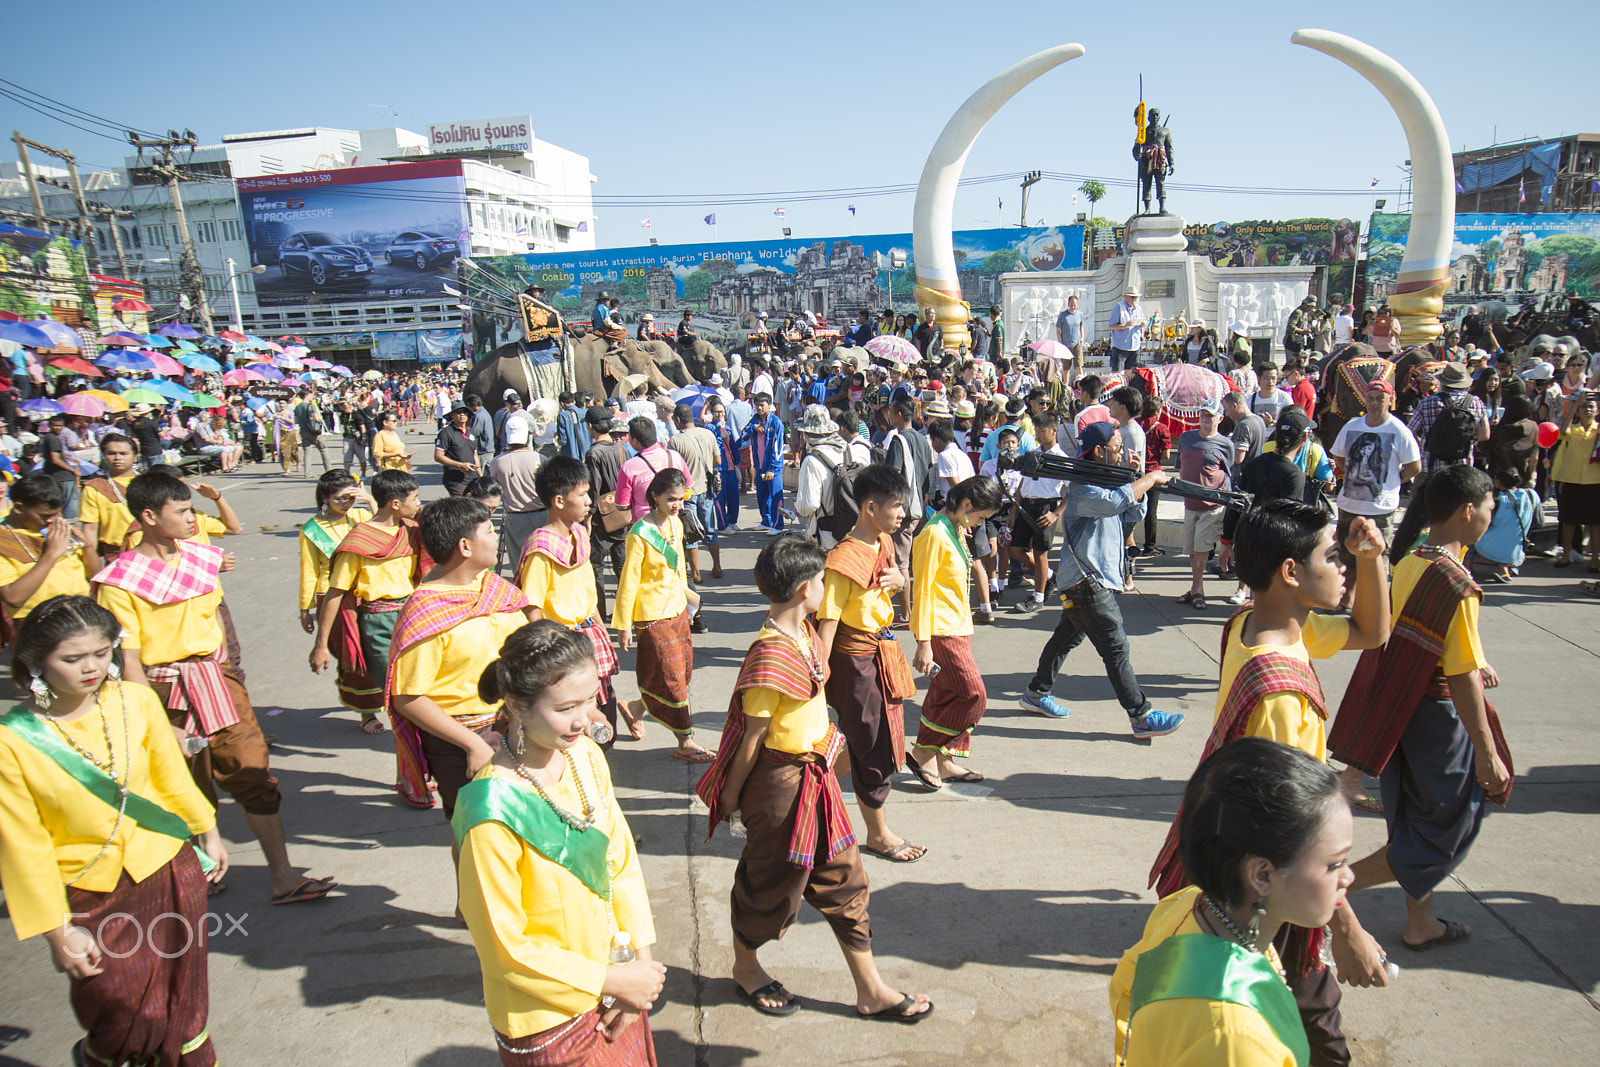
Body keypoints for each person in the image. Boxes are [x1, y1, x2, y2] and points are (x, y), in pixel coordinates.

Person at [1150, 500, 1394, 1064]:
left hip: (1241, 851)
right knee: (1313, 1018)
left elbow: (1371, 631)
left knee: (1298, 1002)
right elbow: (1297, 829)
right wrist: (1348, 929)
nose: (1343, 570)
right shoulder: (1283, 694)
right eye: (1333, 558)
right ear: (1290, 572)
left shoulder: (1254, 626)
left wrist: (1372, 558)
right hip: (1270, 871)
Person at [695, 536, 933, 1023]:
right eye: (823, 581)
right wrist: (732, 797)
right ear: (807, 588)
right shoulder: (770, 655)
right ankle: (746, 967)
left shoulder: (804, 633)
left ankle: (871, 990)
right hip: (780, 789)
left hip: (816, 780)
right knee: (770, 886)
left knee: (847, 880)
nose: (828, 587)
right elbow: (752, 741)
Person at [0, 595, 227, 1067]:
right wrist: (56, 932)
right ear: (35, 662)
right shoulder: (13, 740)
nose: (91, 667)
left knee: (183, 997)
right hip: (88, 890)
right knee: (115, 1008)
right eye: (72, 658)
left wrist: (209, 832)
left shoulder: (136, 701)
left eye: (102, 653)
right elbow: (23, 846)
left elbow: (170, 778)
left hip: (167, 868)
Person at [96, 472, 335, 905]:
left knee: (252, 771)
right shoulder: (119, 581)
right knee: (183, 784)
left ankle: (283, 877)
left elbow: (216, 624)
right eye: (183, 511)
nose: (193, 518)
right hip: (162, 690)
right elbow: (128, 661)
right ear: (149, 517)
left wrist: (227, 677)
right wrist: (152, 719)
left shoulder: (200, 558)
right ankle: (197, 875)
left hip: (215, 680)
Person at [455, 621, 664, 1063]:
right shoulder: (488, 812)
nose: (587, 718)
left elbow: (620, 864)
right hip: (547, 1015)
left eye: (591, 700)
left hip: (620, 987)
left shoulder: (585, 756)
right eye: (567, 706)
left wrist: (638, 972)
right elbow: (505, 948)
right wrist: (613, 983)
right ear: (516, 704)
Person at [1334, 466, 1515, 954]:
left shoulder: (1414, 559)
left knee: (1411, 815)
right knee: (1444, 824)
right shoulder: (1455, 581)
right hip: (1436, 717)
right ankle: (1334, 888)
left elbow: (1432, 644)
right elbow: (1458, 674)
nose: (1491, 516)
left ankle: (1422, 921)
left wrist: (1476, 660)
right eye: (1491, 508)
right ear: (1467, 512)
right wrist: (1485, 750)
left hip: (1401, 715)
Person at [1113, 737, 1354, 1067]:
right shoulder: (1233, 1042)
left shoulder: (1187, 906)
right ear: (1262, 876)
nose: (1348, 877)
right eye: (1334, 864)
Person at [1019, 421, 1185, 735]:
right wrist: (1149, 478)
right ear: (1098, 451)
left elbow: (1129, 516)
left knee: (1066, 639)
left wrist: (1137, 481)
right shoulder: (1082, 488)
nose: (1122, 453)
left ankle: (1035, 693)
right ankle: (1141, 716)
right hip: (1086, 583)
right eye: (1117, 448)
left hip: (1088, 581)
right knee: (1116, 647)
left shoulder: (1110, 484)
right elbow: (1112, 505)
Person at [388, 497, 533, 831]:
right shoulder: (426, 612)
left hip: (517, 725)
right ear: (465, 546)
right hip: (461, 740)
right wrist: (472, 745)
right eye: (490, 531)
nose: (497, 538)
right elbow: (408, 698)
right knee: (478, 833)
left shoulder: (493, 588)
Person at [813, 464, 923, 862]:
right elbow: (828, 622)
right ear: (870, 507)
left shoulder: (884, 541)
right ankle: (877, 835)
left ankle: (812, 784)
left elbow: (891, 580)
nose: (902, 514)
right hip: (853, 660)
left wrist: (899, 583)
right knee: (873, 745)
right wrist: (817, 673)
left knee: (869, 739)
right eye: (896, 506)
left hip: (880, 652)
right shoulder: (841, 560)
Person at [309, 470, 426, 798]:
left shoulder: (411, 532)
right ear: (395, 503)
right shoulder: (358, 541)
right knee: (401, 705)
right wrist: (320, 644)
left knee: (421, 700)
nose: (419, 504)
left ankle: (418, 771)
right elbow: (335, 593)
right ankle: (411, 777)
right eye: (414, 499)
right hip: (377, 624)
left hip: (412, 618)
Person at [518, 456, 629, 748]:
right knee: (575, 717)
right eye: (581, 494)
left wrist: (598, 625)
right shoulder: (540, 548)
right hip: (562, 643)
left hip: (589, 633)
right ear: (558, 500)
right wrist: (549, 654)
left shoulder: (579, 533)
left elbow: (587, 589)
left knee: (604, 711)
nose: (589, 501)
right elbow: (532, 607)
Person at [906, 476, 1003, 788]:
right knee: (973, 695)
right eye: (980, 516)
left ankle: (944, 760)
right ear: (966, 505)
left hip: (958, 626)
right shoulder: (933, 534)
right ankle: (924, 752)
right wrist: (923, 643)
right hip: (941, 631)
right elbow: (920, 591)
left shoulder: (955, 527)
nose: (980, 522)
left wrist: (964, 527)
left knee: (944, 694)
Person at [612, 467, 712, 762]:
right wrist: (623, 625)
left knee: (680, 673)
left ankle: (635, 709)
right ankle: (686, 741)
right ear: (654, 496)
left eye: (681, 499)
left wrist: (690, 605)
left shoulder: (676, 524)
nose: (677, 505)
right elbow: (628, 581)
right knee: (672, 680)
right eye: (671, 499)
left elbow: (679, 568)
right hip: (652, 616)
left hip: (678, 610)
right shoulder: (639, 534)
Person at [297, 471, 378, 731]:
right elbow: (308, 570)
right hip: (334, 597)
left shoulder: (361, 516)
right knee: (352, 657)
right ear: (324, 498)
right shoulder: (312, 529)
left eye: (350, 497)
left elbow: (385, 530)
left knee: (375, 651)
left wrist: (369, 500)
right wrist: (304, 609)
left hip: (365, 592)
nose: (346, 504)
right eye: (339, 499)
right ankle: (367, 713)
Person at [1330, 380, 1422, 609]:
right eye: (1370, 398)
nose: (1374, 403)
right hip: (1349, 504)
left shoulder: (1398, 430)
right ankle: (1346, 599)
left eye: (1380, 399)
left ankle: (1374, 606)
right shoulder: (1352, 425)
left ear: (1391, 401)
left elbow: (1414, 467)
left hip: (1380, 508)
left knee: (1376, 557)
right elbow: (1339, 457)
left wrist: (1392, 482)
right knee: (1347, 554)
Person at [0, 475, 92, 645]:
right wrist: (51, 554)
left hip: (79, 612)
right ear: (19, 508)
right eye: (44, 515)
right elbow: (13, 597)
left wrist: (87, 547)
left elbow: (93, 574)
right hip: (36, 622)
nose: (52, 520)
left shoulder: (57, 530)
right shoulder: (4, 540)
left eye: (56, 513)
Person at [1176, 399, 1232, 610]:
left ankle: (1198, 589)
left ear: (1220, 418)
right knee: (1191, 549)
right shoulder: (1185, 438)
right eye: (1203, 414)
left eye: (1211, 415)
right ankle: (1194, 588)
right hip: (1189, 504)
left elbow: (1228, 473)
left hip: (1212, 505)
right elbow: (1181, 466)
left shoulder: (1225, 444)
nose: (1206, 418)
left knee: (1201, 548)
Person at [1008, 412, 1067, 614]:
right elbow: (1023, 482)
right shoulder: (1033, 452)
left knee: (1040, 553)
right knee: (1014, 549)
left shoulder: (1061, 459)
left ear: (1054, 431)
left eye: (1042, 431)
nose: (1039, 435)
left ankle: (1038, 596)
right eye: (1037, 431)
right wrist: (1014, 509)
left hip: (1046, 507)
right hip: (1027, 506)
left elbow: (1073, 491)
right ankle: (1049, 575)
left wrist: (1056, 514)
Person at [1407, 362, 1490, 473]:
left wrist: (1423, 443)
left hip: (1431, 464)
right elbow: (1484, 435)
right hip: (1463, 465)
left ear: (1443, 382)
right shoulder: (1476, 402)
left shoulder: (1428, 402)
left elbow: (1410, 430)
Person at [671, 402, 721, 582]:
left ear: (678, 420)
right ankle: (717, 566)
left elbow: (674, 469)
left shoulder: (676, 440)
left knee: (691, 533)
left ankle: (696, 573)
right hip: (707, 489)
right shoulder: (708, 434)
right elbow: (717, 460)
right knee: (710, 530)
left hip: (688, 493)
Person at [1549, 390, 1599, 570]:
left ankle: (1594, 560)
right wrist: (1576, 404)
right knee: (1568, 520)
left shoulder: (1598, 429)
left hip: (1594, 481)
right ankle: (1566, 554)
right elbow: (1562, 430)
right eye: (1583, 407)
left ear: (1597, 410)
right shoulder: (1573, 429)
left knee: (1595, 522)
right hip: (1571, 479)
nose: (1587, 410)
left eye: (1591, 407)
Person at [489, 417, 547, 570]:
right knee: (543, 564)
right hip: (542, 516)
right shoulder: (540, 459)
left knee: (519, 566)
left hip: (514, 518)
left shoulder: (497, 462)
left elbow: (494, 491)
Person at [78, 434, 138, 574]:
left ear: (135, 456)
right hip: (117, 555)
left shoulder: (149, 482)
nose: (118, 458)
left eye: (124, 453)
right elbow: (90, 529)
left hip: (154, 550)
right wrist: (90, 561)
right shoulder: (94, 488)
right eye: (111, 453)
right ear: (104, 456)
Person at [614, 417, 689, 523]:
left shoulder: (629, 467)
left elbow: (622, 504)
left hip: (645, 526)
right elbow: (688, 487)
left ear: (634, 441)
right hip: (674, 521)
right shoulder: (674, 456)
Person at [1470, 467, 1536, 583]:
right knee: (1510, 536)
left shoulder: (1495, 498)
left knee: (1471, 529)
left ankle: (1468, 564)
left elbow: (1482, 522)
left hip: (1488, 548)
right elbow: (1540, 522)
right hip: (1518, 553)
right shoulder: (1531, 495)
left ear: (1498, 482)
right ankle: (1507, 566)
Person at [737, 393, 786, 533]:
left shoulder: (775, 423)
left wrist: (772, 468)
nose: (758, 407)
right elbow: (743, 435)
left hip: (772, 468)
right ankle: (766, 521)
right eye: (756, 404)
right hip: (759, 465)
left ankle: (778, 525)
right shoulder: (755, 420)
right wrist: (753, 428)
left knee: (776, 496)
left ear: (769, 406)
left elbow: (778, 448)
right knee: (762, 496)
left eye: (762, 405)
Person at [436, 405, 481, 497]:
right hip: (455, 479)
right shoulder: (446, 433)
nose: (462, 414)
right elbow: (438, 456)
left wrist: (480, 476)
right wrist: (460, 465)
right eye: (458, 412)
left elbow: (475, 455)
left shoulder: (471, 432)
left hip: (472, 478)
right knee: (461, 505)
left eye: (464, 412)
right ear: (452, 415)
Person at [292, 390, 330, 476]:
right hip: (313, 431)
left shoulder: (297, 407)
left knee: (307, 452)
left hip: (303, 431)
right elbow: (316, 418)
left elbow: (296, 420)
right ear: (305, 396)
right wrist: (320, 419)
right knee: (323, 449)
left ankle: (307, 473)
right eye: (310, 395)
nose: (312, 396)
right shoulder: (310, 406)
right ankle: (328, 470)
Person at [1108, 290, 1144, 373]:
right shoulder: (1118, 307)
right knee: (1117, 373)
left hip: (1134, 346)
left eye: (1135, 297)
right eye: (1132, 297)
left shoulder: (1138, 308)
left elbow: (1142, 321)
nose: (1134, 299)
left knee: (1130, 374)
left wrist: (1142, 324)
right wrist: (1124, 326)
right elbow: (1111, 326)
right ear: (1126, 297)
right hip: (1120, 347)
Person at [1055, 294, 1086, 364]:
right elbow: (1058, 330)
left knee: (1079, 365)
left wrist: (1082, 338)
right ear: (1068, 304)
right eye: (1071, 305)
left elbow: (1081, 327)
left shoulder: (1080, 314)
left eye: (1074, 305)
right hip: (1065, 344)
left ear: (1077, 304)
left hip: (1077, 343)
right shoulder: (1062, 315)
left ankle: (1080, 375)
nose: (1073, 307)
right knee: (1066, 368)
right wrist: (1060, 342)